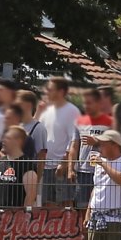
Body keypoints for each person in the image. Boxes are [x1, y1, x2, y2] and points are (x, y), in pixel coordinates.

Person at [71, 89, 114, 222]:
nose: (86, 106)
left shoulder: (109, 122)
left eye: (89, 103)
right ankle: (83, 238)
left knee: (99, 206)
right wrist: (70, 169)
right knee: (81, 207)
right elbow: (74, 146)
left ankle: (97, 235)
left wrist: (96, 141)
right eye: (85, 103)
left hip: (102, 171)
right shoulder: (79, 122)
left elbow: (115, 144)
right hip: (82, 171)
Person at [39, 77, 79, 208]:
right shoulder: (46, 110)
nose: (47, 92)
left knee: (65, 204)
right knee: (46, 204)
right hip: (44, 166)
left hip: (60, 167)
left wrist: (65, 163)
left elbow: (74, 140)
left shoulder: (71, 111)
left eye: (50, 89)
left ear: (61, 92)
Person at [0, 126, 39, 208]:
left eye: (8, 138)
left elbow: (30, 196)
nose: (3, 141)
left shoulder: (27, 165)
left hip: (16, 217)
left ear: (18, 141)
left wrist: (22, 217)